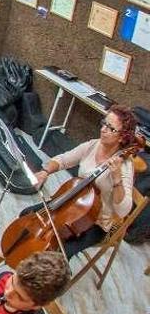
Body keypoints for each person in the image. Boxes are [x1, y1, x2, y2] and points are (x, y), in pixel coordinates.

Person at [26, 105, 138, 259]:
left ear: (122, 137)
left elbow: (123, 211)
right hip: (72, 203)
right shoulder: (93, 145)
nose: (103, 130)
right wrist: (45, 172)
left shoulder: (124, 166)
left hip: (94, 222)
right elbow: (64, 160)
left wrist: (117, 179)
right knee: (27, 215)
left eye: (111, 128)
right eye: (104, 123)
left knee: (59, 253)